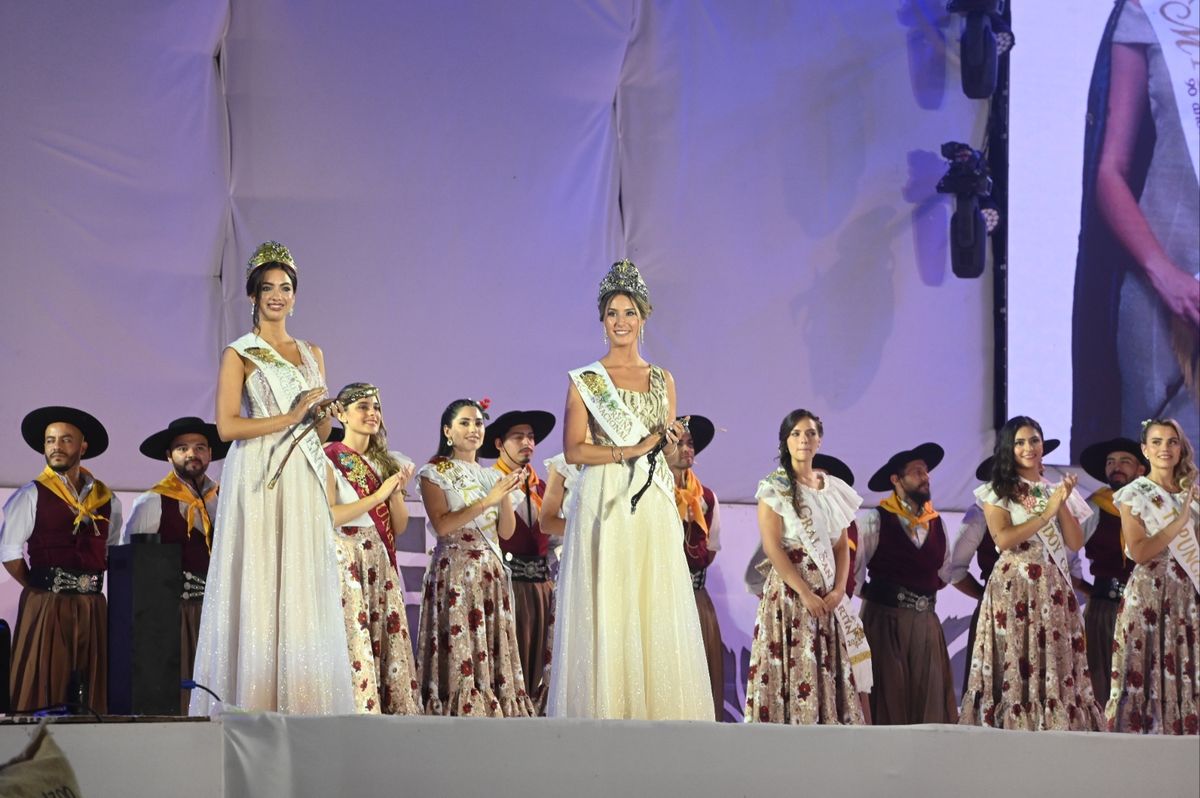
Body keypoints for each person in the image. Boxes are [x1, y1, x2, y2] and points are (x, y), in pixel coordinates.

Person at [189, 241, 354, 715]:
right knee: (261, 574)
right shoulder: (240, 353)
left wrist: (324, 415)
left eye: (285, 288)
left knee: (299, 575)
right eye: (268, 288)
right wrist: (292, 414)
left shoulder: (312, 352)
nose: (277, 296)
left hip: (302, 471)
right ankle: (254, 696)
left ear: (295, 296)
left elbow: (318, 430)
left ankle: (300, 698)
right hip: (259, 469)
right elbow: (226, 427)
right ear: (253, 297)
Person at [547, 259, 711, 721]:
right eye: (612, 313)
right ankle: (608, 711)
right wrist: (629, 450)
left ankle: (658, 715)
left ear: (643, 317)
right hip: (605, 497)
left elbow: (663, 444)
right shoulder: (586, 380)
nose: (621, 321)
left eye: (629, 312)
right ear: (603, 321)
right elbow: (575, 451)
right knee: (611, 597)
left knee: (651, 596)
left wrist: (670, 446)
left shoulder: (664, 379)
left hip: (652, 497)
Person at [1072, 0, 1200, 456]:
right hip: (1160, 286)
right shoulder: (1153, 11)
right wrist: (1166, 275)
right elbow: (1110, 170)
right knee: (1154, 486)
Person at [959, 416, 1103, 730]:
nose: (1028, 447)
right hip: (1015, 588)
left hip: (1052, 590)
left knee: (1052, 661)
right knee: (1016, 659)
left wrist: (1060, 502)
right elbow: (1004, 538)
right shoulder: (996, 491)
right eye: (1020, 442)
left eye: (1034, 440)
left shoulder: (1054, 489)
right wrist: (1046, 512)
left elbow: (1075, 541)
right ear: (1008, 449)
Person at [744, 409, 868, 725]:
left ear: (819, 440)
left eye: (810, 433)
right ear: (785, 441)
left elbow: (841, 545)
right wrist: (804, 593)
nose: (804, 440)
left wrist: (839, 589)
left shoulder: (832, 487)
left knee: (826, 664)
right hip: (790, 594)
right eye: (797, 434)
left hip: (826, 594)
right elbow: (772, 547)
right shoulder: (775, 487)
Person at [415, 398, 534, 717]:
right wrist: (488, 500)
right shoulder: (434, 472)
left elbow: (506, 532)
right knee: (460, 646)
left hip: (490, 572)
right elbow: (442, 525)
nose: (473, 429)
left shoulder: (491, 476)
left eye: (478, 423)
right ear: (447, 431)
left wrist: (504, 497)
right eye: (465, 423)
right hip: (455, 570)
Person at [1, 406, 121, 714]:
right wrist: (38, 586)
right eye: (50, 440)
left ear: (82, 446)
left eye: (66, 440)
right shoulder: (31, 494)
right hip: (48, 605)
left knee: (88, 687)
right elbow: (9, 552)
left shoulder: (108, 499)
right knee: (44, 683)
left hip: (92, 606)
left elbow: (109, 548)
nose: (56, 446)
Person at [325, 383, 422, 715]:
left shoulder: (387, 461)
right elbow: (331, 514)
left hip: (378, 555)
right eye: (363, 406)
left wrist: (395, 492)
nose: (372, 414)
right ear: (342, 414)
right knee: (355, 633)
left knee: (385, 634)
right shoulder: (330, 456)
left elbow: (399, 526)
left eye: (376, 407)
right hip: (346, 554)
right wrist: (378, 495)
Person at [126, 416, 229, 712]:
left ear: (210, 454)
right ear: (168, 456)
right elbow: (134, 566)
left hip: (219, 610)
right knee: (181, 689)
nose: (192, 454)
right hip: (174, 615)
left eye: (199, 447)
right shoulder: (152, 502)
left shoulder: (226, 498)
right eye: (182, 448)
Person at [1106, 418, 1199, 734]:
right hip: (1150, 596)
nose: (1165, 448)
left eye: (1172, 441)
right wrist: (1178, 522)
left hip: (1187, 599)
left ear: (1180, 448)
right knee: (1144, 677)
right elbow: (1141, 552)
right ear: (1145, 450)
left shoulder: (1192, 494)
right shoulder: (1134, 493)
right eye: (1156, 442)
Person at [857, 443, 957, 724]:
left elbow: (945, 572)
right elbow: (854, 575)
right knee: (889, 697)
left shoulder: (937, 523)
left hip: (926, 623)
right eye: (916, 472)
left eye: (926, 472)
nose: (925, 477)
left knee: (929, 696)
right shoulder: (876, 520)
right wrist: (883, 599)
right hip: (884, 621)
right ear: (896, 480)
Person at [480, 409, 557, 711]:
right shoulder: (489, 484)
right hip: (504, 588)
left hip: (540, 589)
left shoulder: (544, 487)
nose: (527, 442)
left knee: (539, 669)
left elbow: (554, 542)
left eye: (531, 437)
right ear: (499, 444)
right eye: (518, 437)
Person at [1077, 436, 1148, 702]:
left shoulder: (1156, 507)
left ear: (1141, 469)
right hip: (1106, 607)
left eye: (1124, 461)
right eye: (1110, 462)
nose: (1116, 467)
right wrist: (1086, 587)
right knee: (1103, 684)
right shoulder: (1094, 505)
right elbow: (1064, 551)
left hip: (1147, 606)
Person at [664, 414, 725, 720]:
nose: (688, 449)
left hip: (696, 595)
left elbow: (711, 548)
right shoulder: (654, 494)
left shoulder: (707, 498)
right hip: (663, 598)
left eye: (691, 444)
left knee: (703, 670)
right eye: (680, 443)